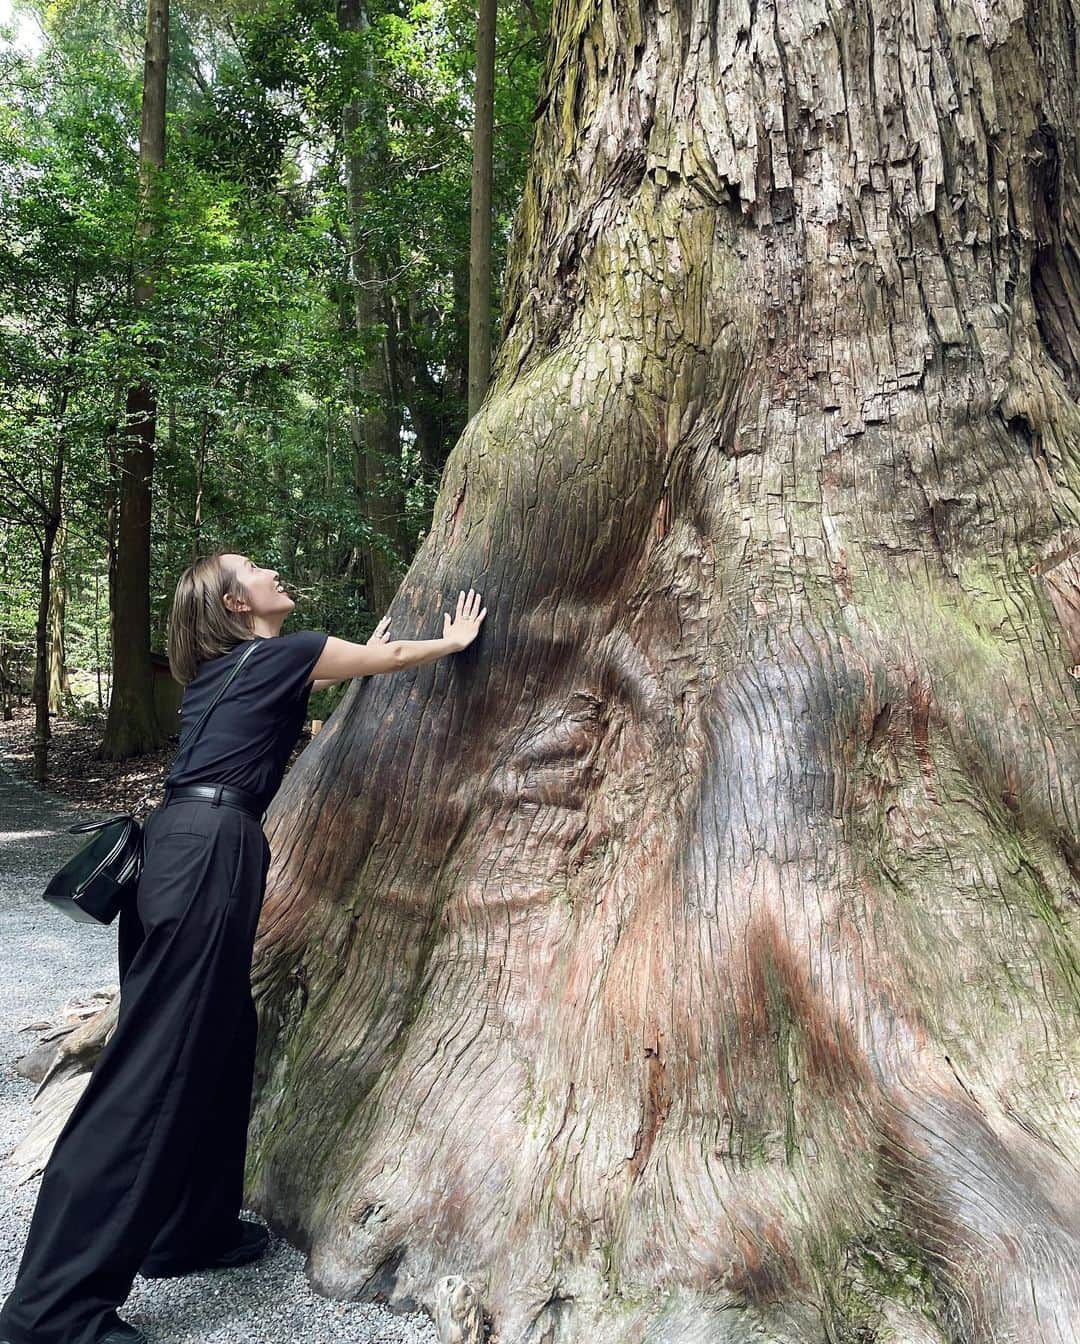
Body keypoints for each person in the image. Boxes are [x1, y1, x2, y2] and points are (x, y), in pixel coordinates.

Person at [0, 549, 486, 1344]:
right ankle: (51, 1311)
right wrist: (454, 642)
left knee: (224, 1040)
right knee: (151, 1068)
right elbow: (391, 658)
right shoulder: (285, 656)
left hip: (174, 850)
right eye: (258, 569)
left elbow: (334, 680)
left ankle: (189, 1231)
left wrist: (356, 660)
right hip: (211, 853)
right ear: (234, 602)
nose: (275, 572)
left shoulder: (233, 677)